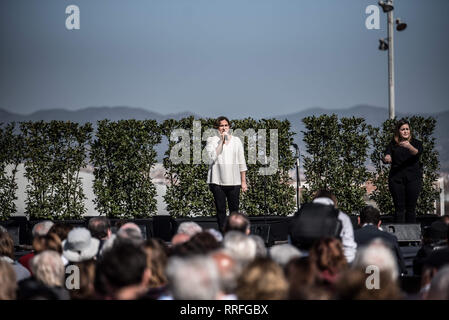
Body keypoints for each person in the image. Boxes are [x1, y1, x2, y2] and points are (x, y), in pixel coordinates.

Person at [206, 116, 248, 232]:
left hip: (234, 181)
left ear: (229, 127)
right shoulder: (212, 140)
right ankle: (223, 234)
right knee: (221, 210)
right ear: (217, 127)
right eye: (221, 125)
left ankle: (235, 233)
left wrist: (243, 181)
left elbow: (241, 160)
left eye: (226, 125)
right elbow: (212, 156)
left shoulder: (236, 141)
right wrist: (222, 142)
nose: (224, 128)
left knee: (235, 210)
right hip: (217, 180)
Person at [384, 119, 423, 223]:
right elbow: (387, 155)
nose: (405, 131)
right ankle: (399, 237)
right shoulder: (393, 144)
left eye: (407, 129)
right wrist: (387, 157)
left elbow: (417, 153)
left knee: (411, 208)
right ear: (398, 131)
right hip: (396, 179)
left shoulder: (416, 143)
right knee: (399, 208)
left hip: (413, 179)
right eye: (402, 129)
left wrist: (408, 146)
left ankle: (411, 237)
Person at [354, 205, 407, 276]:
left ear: (359, 220)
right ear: (379, 223)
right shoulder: (390, 238)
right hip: (384, 282)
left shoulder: (352, 237)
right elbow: (401, 268)